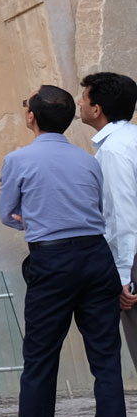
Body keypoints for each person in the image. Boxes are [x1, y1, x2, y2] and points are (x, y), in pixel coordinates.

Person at [0, 85, 131, 417]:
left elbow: (7, 214)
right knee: (106, 360)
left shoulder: (18, 159)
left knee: (40, 361)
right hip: (95, 257)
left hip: (52, 260)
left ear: (32, 117)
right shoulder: (88, 160)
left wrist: (34, 219)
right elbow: (101, 211)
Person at [80, 71, 137, 383]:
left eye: (85, 98)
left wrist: (124, 277)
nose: (80, 103)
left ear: (97, 109)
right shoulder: (130, 139)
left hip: (133, 259)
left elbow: (121, 217)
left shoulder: (114, 150)